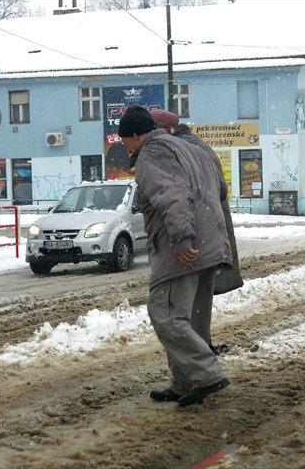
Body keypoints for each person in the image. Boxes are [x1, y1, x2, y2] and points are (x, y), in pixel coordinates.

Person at [118, 105, 232, 407]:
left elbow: (171, 194)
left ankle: (207, 375)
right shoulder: (194, 148)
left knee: (165, 313)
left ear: (136, 135)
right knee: (192, 320)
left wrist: (182, 237)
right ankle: (185, 382)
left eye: (125, 141)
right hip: (210, 241)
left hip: (182, 247)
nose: (126, 147)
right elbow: (221, 189)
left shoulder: (152, 152)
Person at [149, 109, 244, 297]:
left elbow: (183, 196)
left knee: (186, 305)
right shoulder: (194, 145)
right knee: (197, 304)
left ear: (166, 130)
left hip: (199, 235)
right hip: (208, 232)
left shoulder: (183, 149)